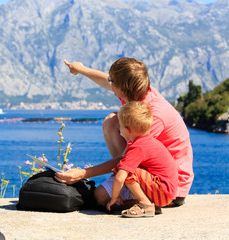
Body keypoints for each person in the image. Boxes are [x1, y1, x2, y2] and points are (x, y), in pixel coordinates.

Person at [55, 57, 193, 208]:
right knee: (112, 121)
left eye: (113, 81)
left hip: (169, 185)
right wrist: (80, 69)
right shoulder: (136, 93)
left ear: (124, 87)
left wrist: (82, 174)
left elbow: (129, 156)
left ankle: (144, 202)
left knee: (101, 198)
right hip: (149, 171)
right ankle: (123, 179)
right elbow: (105, 81)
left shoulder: (151, 115)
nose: (110, 84)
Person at [106, 101, 177, 217]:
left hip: (163, 192)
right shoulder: (150, 141)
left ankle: (145, 204)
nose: (119, 129)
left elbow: (120, 178)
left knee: (125, 171)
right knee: (129, 168)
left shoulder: (137, 148)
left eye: (120, 126)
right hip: (169, 192)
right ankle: (149, 203)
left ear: (127, 130)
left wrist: (114, 197)